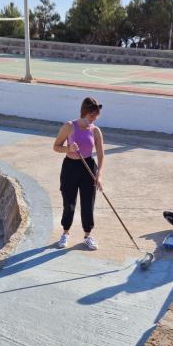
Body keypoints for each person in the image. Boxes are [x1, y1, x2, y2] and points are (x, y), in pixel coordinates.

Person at [52, 97, 105, 250]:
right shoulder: (69, 126)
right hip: (70, 167)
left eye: (96, 116)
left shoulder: (95, 131)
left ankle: (88, 235)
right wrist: (68, 149)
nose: (94, 119)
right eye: (92, 116)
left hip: (88, 166)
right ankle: (65, 233)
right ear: (84, 113)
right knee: (69, 203)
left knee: (88, 203)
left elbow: (101, 155)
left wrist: (99, 174)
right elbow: (56, 146)